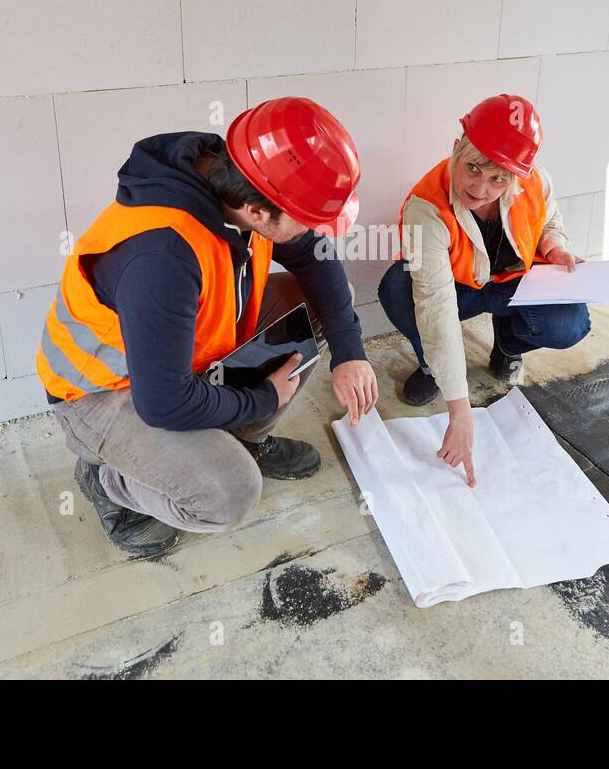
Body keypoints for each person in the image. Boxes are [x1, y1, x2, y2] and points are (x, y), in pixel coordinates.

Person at [38, 98, 379, 557]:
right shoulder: (163, 256)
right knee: (228, 494)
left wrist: (350, 350)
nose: (315, 230)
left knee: (314, 305)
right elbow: (163, 402)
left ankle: (246, 438)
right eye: (308, 219)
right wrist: (262, 398)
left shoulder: (242, 181)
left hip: (181, 361)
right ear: (259, 212)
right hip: (104, 392)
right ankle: (108, 481)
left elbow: (314, 258)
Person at [377, 94, 590, 488]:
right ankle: (432, 366)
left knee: (569, 321)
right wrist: (461, 414)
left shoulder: (535, 181)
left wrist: (554, 246)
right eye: (472, 168)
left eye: (498, 179)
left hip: (511, 285)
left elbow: (549, 220)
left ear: (516, 175)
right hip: (460, 290)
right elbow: (437, 307)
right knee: (396, 287)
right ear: (456, 148)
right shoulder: (426, 208)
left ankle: (507, 346)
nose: (480, 188)